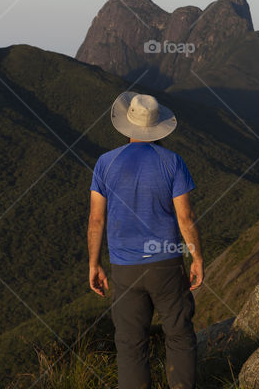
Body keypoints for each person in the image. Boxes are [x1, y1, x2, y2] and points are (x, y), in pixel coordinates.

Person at [87, 91, 204, 389]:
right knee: (178, 334)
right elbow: (186, 218)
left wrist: (94, 264)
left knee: (129, 344)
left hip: (124, 268)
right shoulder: (173, 162)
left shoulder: (104, 163)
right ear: (157, 126)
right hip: (166, 265)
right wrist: (197, 258)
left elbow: (96, 220)